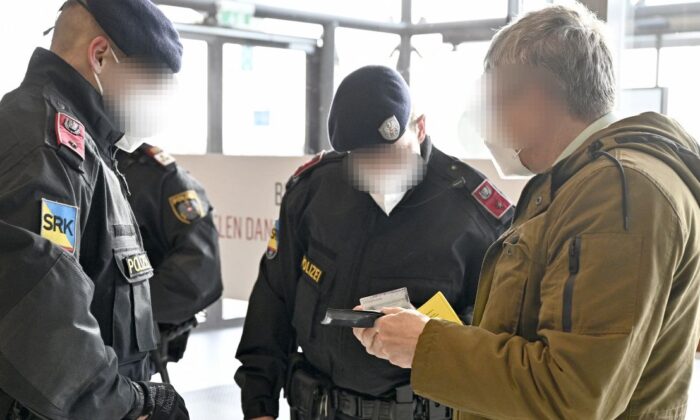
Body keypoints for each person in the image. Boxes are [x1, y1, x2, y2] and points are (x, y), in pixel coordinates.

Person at [353, 4, 700, 419]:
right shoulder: (586, 183)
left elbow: (570, 394)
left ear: (535, 97)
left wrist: (426, 344)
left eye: (494, 102)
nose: (487, 126)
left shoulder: (617, 192)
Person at [235, 65, 513, 420]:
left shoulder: (477, 216)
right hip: (314, 407)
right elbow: (272, 302)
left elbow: (498, 341)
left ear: (421, 127)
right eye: (364, 160)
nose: (378, 169)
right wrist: (259, 405)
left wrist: (430, 338)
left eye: (391, 155)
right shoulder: (315, 191)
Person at [0, 0, 189, 418]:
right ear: (101, 55)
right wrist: (133, 405)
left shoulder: (89, 150)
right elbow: (44, 321)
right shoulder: (44, 145)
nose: (157, 99)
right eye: (152, 80)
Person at [117, 143, 223, 378]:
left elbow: (199, 271)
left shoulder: (159, 177)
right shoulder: (65, 160)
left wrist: (125, 309)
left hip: (127, 353)